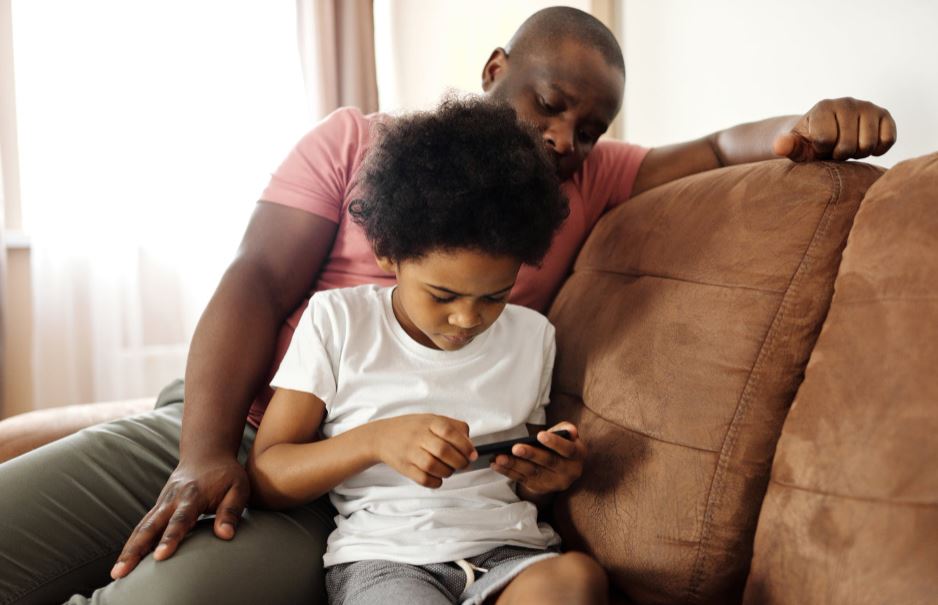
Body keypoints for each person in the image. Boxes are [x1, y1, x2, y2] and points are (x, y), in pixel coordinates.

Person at [0, 6, 896, 605]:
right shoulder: (355, 141)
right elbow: (255, 281)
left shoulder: (580, 182)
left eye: (589, 130)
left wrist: (806, 124)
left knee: (164, 595)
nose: (562, 139)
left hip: (365, 501)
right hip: (233, 415)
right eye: (548, 106)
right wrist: (200, 451)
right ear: (496, 69)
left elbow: (713, 147)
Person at [249, 96, 605, 605]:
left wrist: (547, 478)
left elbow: (520, 485)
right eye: (442, 295)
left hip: (509, 551)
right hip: (386, 559)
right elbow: (267, 476)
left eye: (494, 296)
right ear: (388, 253)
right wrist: (375, 440)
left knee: (577, 579)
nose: (468, 319)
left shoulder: (533, 336)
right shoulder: (337, 321)